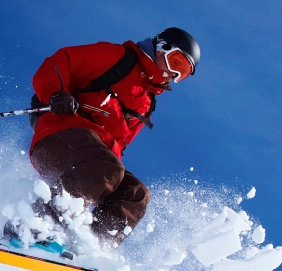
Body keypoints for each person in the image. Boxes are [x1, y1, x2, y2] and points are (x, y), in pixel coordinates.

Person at [22, 27, 200, 249]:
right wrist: (56, 93)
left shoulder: (146, 103)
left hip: (93, 161)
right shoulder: (118, 58)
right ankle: (33, 227)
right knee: (108, 167)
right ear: (161, 47)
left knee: (135, 193)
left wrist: (111, 180)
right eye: (176, 63)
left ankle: (88, 248)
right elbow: (59, 61)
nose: (173, 75)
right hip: (59, 134)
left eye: (181, 74)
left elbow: (118, 147)